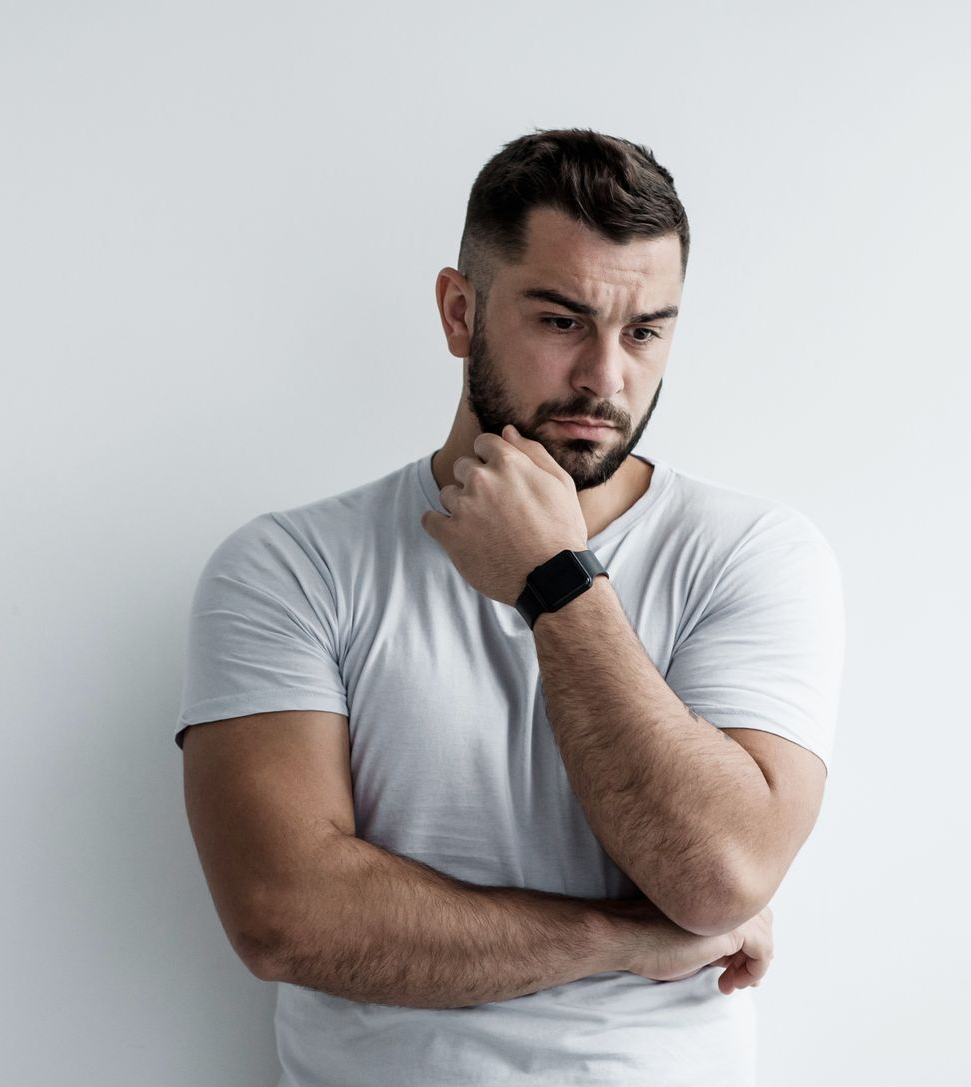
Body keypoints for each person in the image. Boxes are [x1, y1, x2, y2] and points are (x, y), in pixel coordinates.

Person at [176, 127, 846, 1087]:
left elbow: (719, 877)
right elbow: (284, 914)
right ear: (459, 311)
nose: (605, 378)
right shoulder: (289, 566)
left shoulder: (753, 555)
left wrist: (555, 579)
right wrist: (622, 938)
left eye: (644, 330)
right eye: (561, 320)